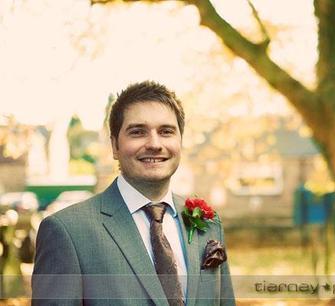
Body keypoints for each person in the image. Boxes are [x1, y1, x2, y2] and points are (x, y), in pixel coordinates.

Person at [32, 81, 235, 306]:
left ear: (180, 141)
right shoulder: (67, 232)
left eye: (166, 131)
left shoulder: (208, 223)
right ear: (114, 146)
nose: (155, 144)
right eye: (138, 132)